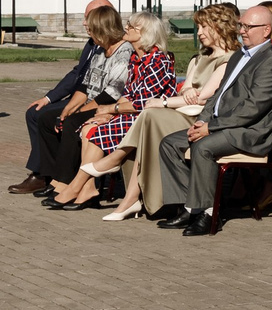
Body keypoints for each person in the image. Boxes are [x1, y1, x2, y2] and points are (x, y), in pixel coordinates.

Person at [156, 2, 272, 236]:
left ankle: (210, 214)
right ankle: (188, 207)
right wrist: (202, 121)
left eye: (248, 27)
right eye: (241, 25)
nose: (242, 31)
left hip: (249, 132)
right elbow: (218, 95)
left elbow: (252, 109)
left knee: (203, 147)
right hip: (222, 126)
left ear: (266, 30)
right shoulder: (239, 56)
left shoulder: (270, 63)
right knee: (169, 144)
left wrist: (210, 127)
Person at [117, 4, 239, 221]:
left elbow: (203, 97)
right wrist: (187, 92)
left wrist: (163, 102)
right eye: (198, 27)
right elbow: (187, 89)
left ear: (219, 27)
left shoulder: (229, 60)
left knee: (149, 114)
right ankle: (142, 197)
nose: (199, 33)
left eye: (204, 27)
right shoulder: (201, 57)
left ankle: (131, 185)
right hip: (184, 111)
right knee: (147, 116)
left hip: (201, 118)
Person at [47, 12, 180, 209]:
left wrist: (111, 108)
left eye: (132, 27)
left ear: (145, 33)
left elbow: (142, 103)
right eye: (128, 24)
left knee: (96, 130)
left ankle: (75, 186)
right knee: (89, 127)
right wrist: (109, 113)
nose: (126, 28)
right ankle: (88, 188)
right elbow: (127, 94)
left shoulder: (158, 61)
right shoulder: (137, 58)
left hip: (149, 118)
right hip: (133, 113)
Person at [14, 0, 120, 194]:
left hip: (104, 103)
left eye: (88, 18)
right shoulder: (95, 46)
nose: (84, 23)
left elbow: (113, 91)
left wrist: (76, 111)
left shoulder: (119, 50)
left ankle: (59, 178)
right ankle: (47, 174)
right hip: (84, 98)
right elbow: (81, 78)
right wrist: (51, 99)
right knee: (38, 113)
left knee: (61, 120)